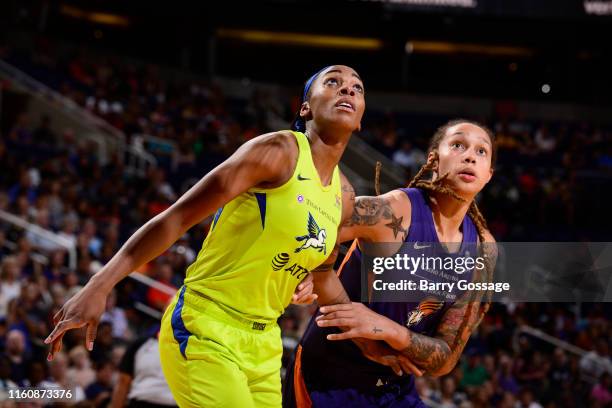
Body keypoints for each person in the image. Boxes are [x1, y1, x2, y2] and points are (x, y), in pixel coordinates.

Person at [45, 65, 385, 407]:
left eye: (358, 87)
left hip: (264, 343)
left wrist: (364, 334)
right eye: (333, 82)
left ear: (359, 120)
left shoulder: (344, 194)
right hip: (206, 324)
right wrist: (100, 284)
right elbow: (176, 218)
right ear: (305, 107)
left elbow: (323, 271)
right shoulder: (279, 151)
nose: (348, 90)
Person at [285, 119, 498, 407]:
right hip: (328, 376)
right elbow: (306, 229)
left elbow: (444, 360)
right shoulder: (396, 210)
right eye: (458, 145)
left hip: (394, 389)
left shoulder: (483, 249)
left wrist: (388, 329)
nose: (470, 155)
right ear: (434, 159)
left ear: (488, 175)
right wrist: (311, 272)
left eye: (481, 151)